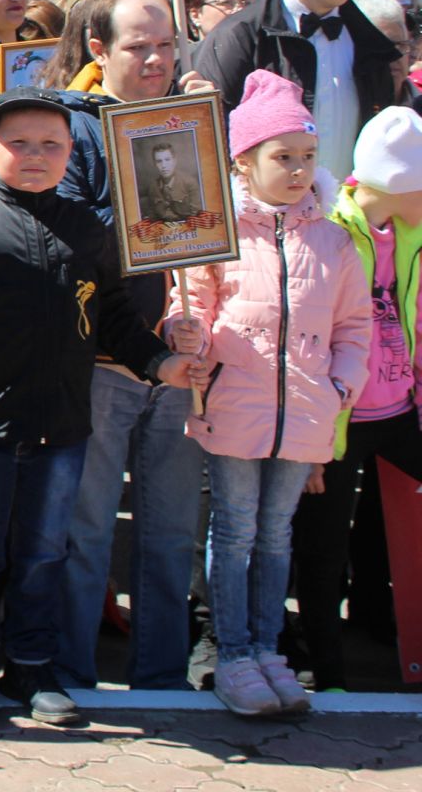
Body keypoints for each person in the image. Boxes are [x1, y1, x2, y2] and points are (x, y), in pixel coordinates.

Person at [0, 85, 195, 727]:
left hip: (61, 427)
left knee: (43, 552)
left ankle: (33, 667)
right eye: (19, 143)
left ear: (71, 154)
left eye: (51, 145)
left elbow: (114, 313)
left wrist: (158, 362)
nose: (35, 155)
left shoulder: (88, 227)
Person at [170, 70, 370, 716]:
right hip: (234, 410)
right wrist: (189, 343)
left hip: (306, 415)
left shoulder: (334, 240)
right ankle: (232, 653)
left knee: (277, 533)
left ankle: (267, 648)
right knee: (233, 532)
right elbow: (191, 303)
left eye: (308, 157)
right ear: (243, 161)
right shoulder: (215, 231)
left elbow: (354, 326)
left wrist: (340, 385)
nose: (298, 170)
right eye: (283, 157)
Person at [48, 0, 206, 693]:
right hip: (104, 365)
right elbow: (70, 238)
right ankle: (73, 672)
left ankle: (163, 677)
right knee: (87, 536)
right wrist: (148, 218)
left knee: (172, 536)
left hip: (182, 363)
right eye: (138, 47)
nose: (155, 61)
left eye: (166, 45)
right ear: (98, 48)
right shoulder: (74, 127)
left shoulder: (193, 120)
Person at [294, 106, 422, 691]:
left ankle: (385, 623)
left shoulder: (413, 233)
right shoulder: (331, 235)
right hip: (337, 423)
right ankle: (326, 667)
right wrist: (315, 437)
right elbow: (312, 339)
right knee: (323, 547)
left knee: (370, 536)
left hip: (400, 411)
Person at [196, 0, 398, 182]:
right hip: (263, 222)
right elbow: (210, 144)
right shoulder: (240, 36)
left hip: (349, 221)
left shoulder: (371, 42)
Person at [137, 140, 200, 221]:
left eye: (167, 160)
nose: (164, 166)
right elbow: (152, 216)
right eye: (159, 161)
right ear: (154, 164)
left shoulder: (189, 183)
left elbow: (197, 216)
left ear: (174, 160)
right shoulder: (153, 187)